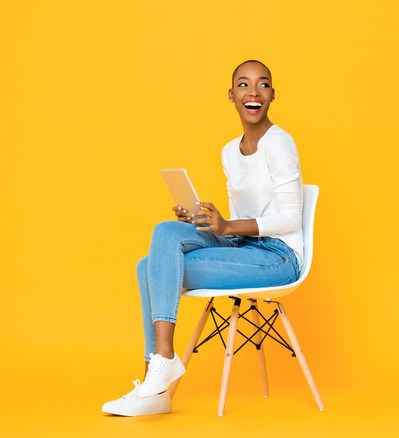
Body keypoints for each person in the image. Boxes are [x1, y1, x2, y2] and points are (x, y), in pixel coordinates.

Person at [102, 60, 304, 416]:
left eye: (263, 85)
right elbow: (241, 217)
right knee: (159, 242)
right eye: (243, 84)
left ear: (272, 95)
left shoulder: (280, 144)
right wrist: (206, 221)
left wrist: (226, 228)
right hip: (245, 247)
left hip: (278, 257)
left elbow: (290, 218)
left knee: (155, 269)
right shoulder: (229, 151)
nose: (253, 92)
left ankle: (160, 367)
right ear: (231, 95)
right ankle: (157, 382)